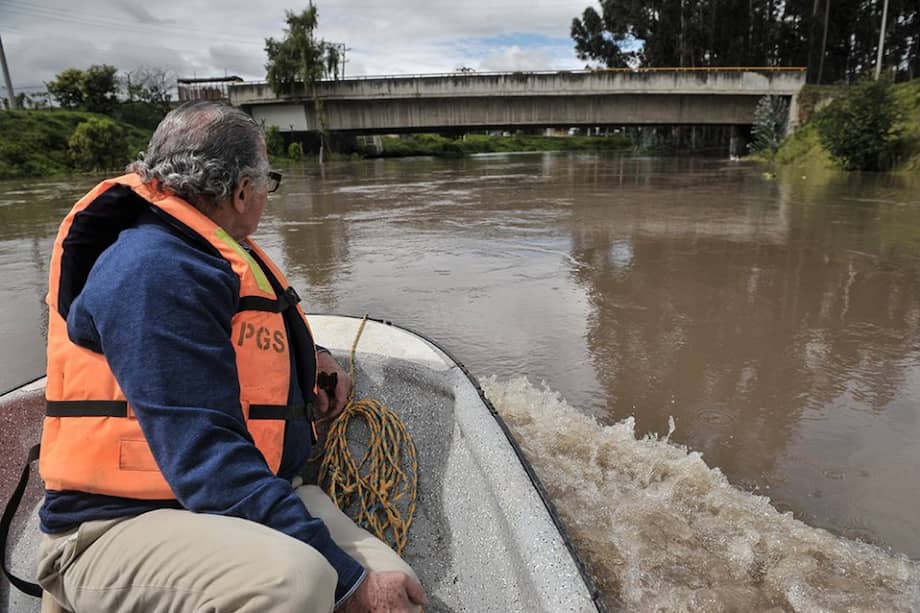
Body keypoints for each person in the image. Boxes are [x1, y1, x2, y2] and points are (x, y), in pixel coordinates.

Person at [35, 101, 427, 613]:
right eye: (270, 181)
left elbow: (234, 347)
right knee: (297, 582)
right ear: (243, 191)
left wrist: (314, 361)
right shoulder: (155, 270)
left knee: (399, 585)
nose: (268, 196)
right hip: (114, 524)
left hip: (232, 495)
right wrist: (352, 585)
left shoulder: (199, 250)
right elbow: (206, 460)